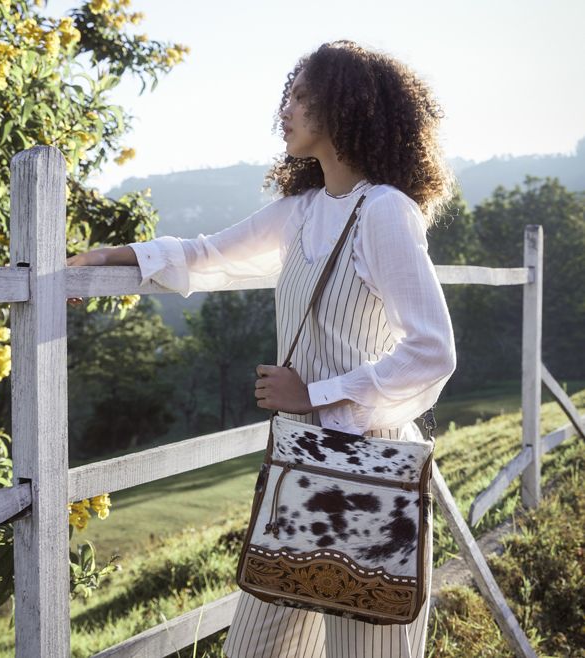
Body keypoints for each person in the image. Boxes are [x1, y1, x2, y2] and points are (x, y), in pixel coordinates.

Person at [67, 40, 456, 658]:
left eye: (303, 96)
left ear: (346, 107)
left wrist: (315, 393)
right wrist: (104, 256)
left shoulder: (385, 211)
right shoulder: (299, 211)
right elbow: (204, 252)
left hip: (368, 466)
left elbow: (433, 350)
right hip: (298, 460)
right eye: (289, 94)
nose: (287, 109)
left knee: (368, 648)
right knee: (255, 645)